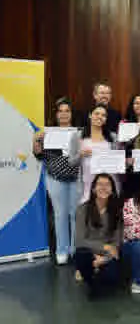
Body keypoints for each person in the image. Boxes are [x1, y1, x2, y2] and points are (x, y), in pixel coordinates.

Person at [33, 98, 80, 265]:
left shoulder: (78, 132)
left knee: (75, 214)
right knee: (60, 215)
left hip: (76, 179)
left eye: (67, 111)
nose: (64, 114)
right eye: (61, 111)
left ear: (71, 114)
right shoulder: (48, 133)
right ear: (56, 114)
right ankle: (62, 250)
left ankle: (75, 250)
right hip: (55, 178)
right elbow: (39, 155)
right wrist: (36, 140)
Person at [75, 174, 122, 297]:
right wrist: (104, 248)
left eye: (107, 185)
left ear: (112, 190)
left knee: (111, 278)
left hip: (107, 255)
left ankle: (95, 272)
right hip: (88, 252)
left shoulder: (117, 210)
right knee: (81, 255)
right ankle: (88, 277)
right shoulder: (83, 209)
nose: (103, 188)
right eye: (100, 184)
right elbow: (80, 241)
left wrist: (103, 259)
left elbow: (116, 242)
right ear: (93, 189)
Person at [69, 104, 118, 204]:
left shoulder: (113, 137)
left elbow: (118, 162)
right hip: (87, 185)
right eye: (97, 113)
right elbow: (71, 162)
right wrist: (80, 154)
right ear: (90, 115)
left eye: (103, 115)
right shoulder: (78, 136)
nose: (100, 117)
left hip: (108, 185)